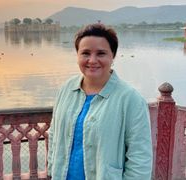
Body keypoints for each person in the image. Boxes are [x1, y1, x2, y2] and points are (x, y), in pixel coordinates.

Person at [47, 23, 152, 180]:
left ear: (113, 56)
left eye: (101, 53)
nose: (92, 60)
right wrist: (51, 170)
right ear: (77, 56)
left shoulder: (130, 99)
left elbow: (140, 157)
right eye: (85, 53)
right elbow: (54, 133)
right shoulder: (66, 89)